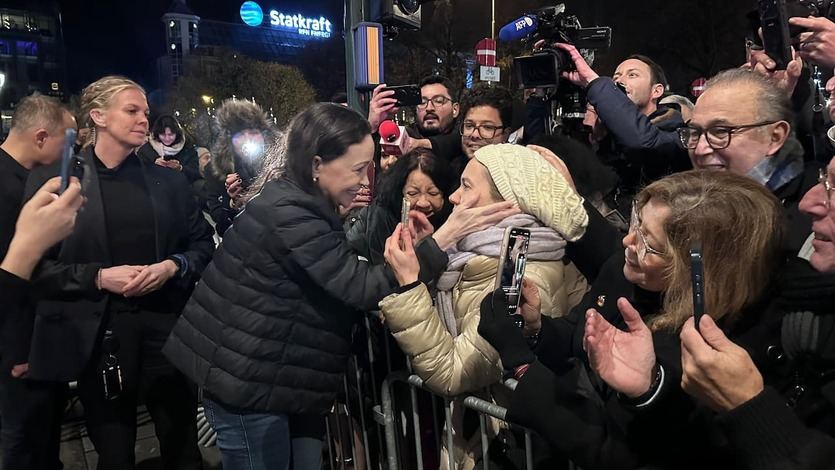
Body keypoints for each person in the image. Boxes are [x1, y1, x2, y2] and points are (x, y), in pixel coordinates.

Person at [478, 170, 785, 469]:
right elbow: (579, 334)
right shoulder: (625, 272)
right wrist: (537, 328)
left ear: (701, 271)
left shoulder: (707, 350)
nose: (628, 242)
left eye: (649, 244)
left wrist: (522, 365)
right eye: (636, 222)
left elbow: (611, 450)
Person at [24, 75, 215, 469]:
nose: (145, 119)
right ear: (98, 116)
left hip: (169, 333)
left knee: (182, 449)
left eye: (145, 111)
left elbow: (201, 247)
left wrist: (171, 266)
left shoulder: (171, 181)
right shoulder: (58, 184)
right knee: (114, 453)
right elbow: (35, 268)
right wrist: (98, 277)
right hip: (99, 339)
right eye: (132, 110)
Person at [382, 144, 589, 469]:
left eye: (466, 187)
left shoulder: (522, 272)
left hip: (501, 445)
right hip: (478, 437)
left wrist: (409, 286)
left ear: (508, 201)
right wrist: (432, 251)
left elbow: (451, 371)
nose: (452, 197)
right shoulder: (479, 254)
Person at [673, 156, 835, 470]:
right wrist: (649, 389)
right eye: (823, 179)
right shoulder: (802, 308)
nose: (808, 203)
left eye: (833, 189)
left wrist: (749, 407)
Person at [0, 93, 77, 470]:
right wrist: (20, 351)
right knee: (23, 447)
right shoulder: (12, 189)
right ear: (42, 137)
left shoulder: (25, 178)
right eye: (69, 139)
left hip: (32, 346)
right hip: (17, 356)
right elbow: (16, 278)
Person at [681, 68, 820, 254]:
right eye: (695, 132)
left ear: (775, 137)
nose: (700, 149)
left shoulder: (818, 218)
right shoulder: (685, 209)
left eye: (721, 132)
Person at [556, 44, 691, 217]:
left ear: (656, 91)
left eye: (632, 75)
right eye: (616, 76)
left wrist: (592, 81)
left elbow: (642, 141)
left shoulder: (671, 131)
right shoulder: (607, 137)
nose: (620, 81)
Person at [347, 148, 457, 265]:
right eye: (413, 193)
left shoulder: (454, 222)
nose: (423, 203)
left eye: (433, 193)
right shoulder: (378, 216)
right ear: (400, 193)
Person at [204, 98, 279, 236]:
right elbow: (222, 228)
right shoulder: (215, 171)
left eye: (253, 132)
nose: (247, 139)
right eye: (239, 134)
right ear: (229, 140)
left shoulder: (280, 166)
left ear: (263, 135)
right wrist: (232, 203)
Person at [137, 114, 201, 185]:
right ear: (157, 134)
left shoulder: (188, 149)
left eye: (171, 135)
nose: (167, 138)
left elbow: (196, 174)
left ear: (177, 134)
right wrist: (153, 166)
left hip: (180, 189)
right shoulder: (146, 150)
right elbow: (137, 174)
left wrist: (180, 168)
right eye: (163, 135)